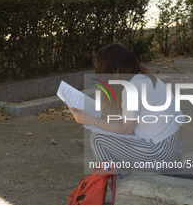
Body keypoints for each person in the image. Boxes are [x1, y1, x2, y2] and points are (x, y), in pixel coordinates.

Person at [69, 42, 184, 186]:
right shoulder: (144, 79)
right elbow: (127, 121)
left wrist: (93, 121)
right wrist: (94, 116)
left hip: (162, 154)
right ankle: (123, 183)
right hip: (171, 149)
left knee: (98, 138)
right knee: (110, 135)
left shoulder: (132, 88)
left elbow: (126, 129)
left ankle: (116, 189)